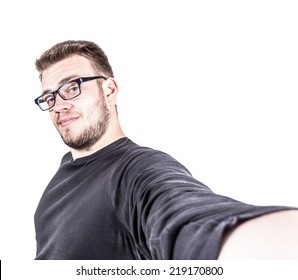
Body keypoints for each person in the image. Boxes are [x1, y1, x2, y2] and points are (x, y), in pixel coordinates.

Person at [33, 40, 298, 260]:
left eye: (72, 87)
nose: (58, 105)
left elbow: (185, 216)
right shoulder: (61, 176)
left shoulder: (138, 168)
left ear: (109, 90)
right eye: (49, 97)